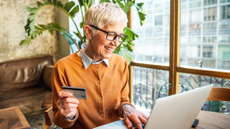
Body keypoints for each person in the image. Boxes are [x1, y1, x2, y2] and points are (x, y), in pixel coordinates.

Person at [52, 3, 148, 129]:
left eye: (119, 36)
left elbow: (123, 101)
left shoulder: (121, 63)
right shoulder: (63, 67)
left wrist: (128, 108)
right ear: (89, 32)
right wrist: (69, 115)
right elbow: (59, 120)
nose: (115, 43)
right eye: (111, 34)